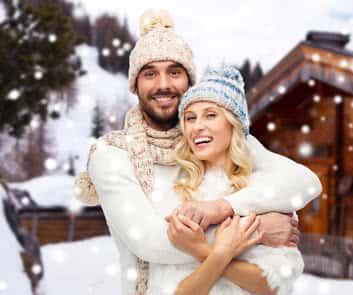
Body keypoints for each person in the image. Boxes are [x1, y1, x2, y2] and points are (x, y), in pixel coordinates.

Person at [74, 9, 321, 294]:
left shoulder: (211, 141)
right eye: (150, 74)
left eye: (175, 72)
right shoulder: (112, 154)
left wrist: (222, 208)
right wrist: (259, 228)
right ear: (135, 85)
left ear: (188, 81)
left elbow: (305, 182)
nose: (163, 84)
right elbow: (151, 242)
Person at [161, 65, 305, 294]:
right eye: (190, 118)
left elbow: (272, 285)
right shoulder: (179, 191)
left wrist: (201, 250)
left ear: (234, 123)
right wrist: (221, 250)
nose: (197, 126)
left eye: (210, 115)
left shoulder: (264, 191)